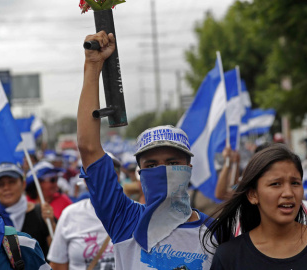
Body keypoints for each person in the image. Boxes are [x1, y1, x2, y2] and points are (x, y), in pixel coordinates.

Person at [77, 31, 214, 269]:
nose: (162, 171)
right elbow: (89, 148)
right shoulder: (123, 218)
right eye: (151, 165)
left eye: (173, 164)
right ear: (139, 172)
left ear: (189, 169)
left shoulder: (216, 232)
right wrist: (92, 65)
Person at [205, 144, 307, 269]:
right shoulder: (229, 257)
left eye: (295, 183)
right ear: (253, 195)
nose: (288, 193)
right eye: (275, 184)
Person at [47, 156, 121, 270]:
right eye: (97, 173)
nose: (105, 178)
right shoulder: (70, 214)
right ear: (86, 180)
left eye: (111, 172)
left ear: (118, 177)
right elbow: (58, 265)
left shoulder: (136, 212)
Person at [0, 162, 55, 258]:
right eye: (0, 184)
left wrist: (51, 223)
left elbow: (57, 252)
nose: (6, 188)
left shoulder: (42, 212)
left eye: (12, 182)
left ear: (23, 184)